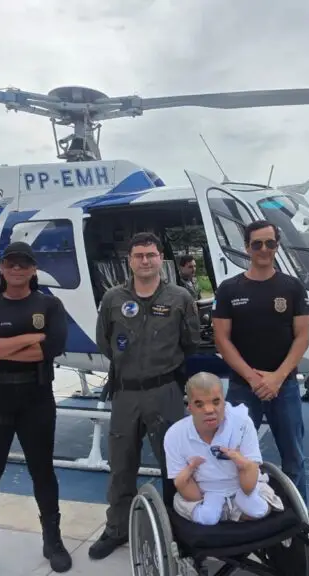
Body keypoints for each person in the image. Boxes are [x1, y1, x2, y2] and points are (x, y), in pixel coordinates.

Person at [88, 232, 202, 560]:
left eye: (151, 255)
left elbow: (190, 342)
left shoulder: (180, 297)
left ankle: (179, 529)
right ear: (130, 260)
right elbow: (104, 341)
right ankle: (116, 528)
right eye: (138, 255)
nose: (145, 261)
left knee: (175, 465)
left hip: (165, 391)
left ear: (160, 257)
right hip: (125, 393)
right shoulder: (112, 299)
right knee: (122, 465)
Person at [0, 241, 72, 575]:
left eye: (24, 263)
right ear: (2, 267)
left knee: (43, 473)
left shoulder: (50, 305)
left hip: (36, 400)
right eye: (11, 263)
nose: (18, 268)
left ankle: (53, 541)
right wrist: (31, 338)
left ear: (34, 268)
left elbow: (53, 347)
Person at [212, 220, 309, 502]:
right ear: (247, 248)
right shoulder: (229, 289)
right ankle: (239, 514)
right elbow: (222, 340)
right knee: (235, 456)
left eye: (270, 243)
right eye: (257, 244)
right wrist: (255, 379)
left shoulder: (292, 288)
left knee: (294, 457)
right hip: (244, 388)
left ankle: (298, 522)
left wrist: (277, 377)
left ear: (277, 246)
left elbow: (303, 337)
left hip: (285, 386)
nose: (264, 249)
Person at [164, 372, 284, 525]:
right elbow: (183, 485)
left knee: (260, 509)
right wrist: (204, 498)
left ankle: (228, 511)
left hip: (241, 488)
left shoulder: (242, 423)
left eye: (215, 402)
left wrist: (242, 464)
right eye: (200, 404)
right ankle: (224, 511)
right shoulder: (175, 434)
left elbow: (249, 480)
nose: (209, 410)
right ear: (190, 407)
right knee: (203, 515)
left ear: (224, 402)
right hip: (202, 494)